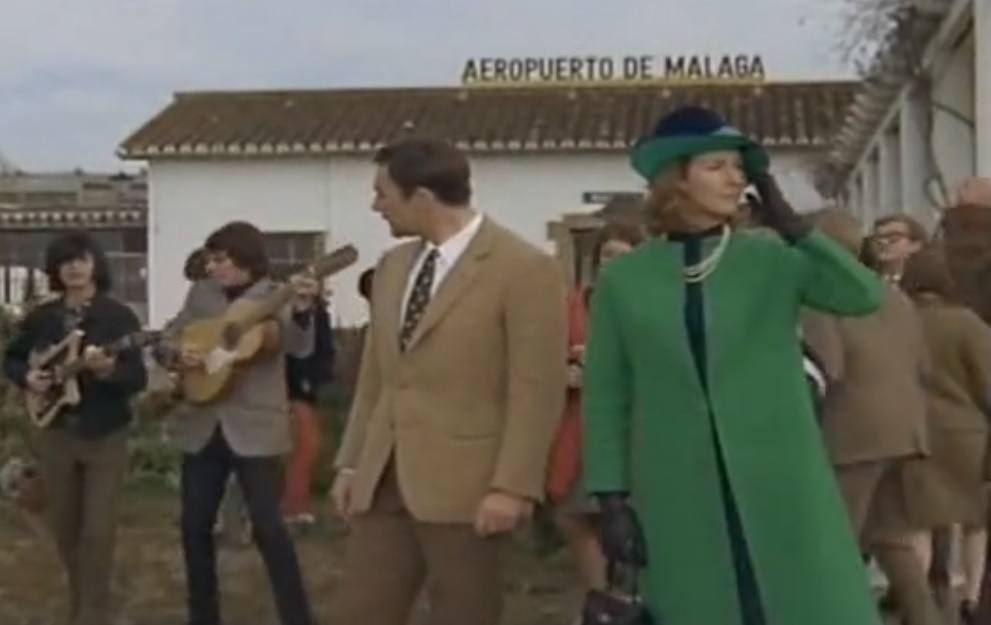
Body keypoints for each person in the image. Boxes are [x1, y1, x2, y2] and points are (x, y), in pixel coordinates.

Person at [581, 106, 884, 625]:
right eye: (716, 165)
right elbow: (607, 392)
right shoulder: (625, 279)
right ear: (676, 178)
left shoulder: (772, 260)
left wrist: (796, 228)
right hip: (676, 483)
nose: (737, 177)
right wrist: (610, 497)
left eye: (740, 168)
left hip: (782, 476)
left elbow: (861, 296)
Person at [330, 138, 567, 625]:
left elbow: (535, 389)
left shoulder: (524, 269)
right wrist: (352, 463)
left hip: (468, 486)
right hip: (384, 479)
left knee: (464, 612)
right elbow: (377, 378)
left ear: (421, 197)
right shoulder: (395, 267)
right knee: (360, 611)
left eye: (382, 193)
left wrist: (514, 487)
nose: (375, 206)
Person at [163, 221, 316, 625]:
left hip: (255, 431)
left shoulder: (274, 296)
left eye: (221, 260)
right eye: (211, 260)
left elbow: (299, 345)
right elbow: (171, 337)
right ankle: (203, 617)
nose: (213, 268)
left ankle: (298, 618)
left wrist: (302, 311)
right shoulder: (202, 294)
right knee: (194, 528)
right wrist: (180, 355)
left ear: (246, 260)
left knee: (269, 530)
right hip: (203, 425)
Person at [803, 210, 942, 625]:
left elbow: (829, 366)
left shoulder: (821, 294)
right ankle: (927, 618)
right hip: (906, 427)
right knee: (892, 537)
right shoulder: (891, 294)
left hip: (853, 431)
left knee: (836, 542)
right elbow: (925, 364)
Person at [4, 230, 147, 625]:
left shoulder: (119, 317)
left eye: (81, 259)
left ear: (95, 264)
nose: (73, 267)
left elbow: (137, 378)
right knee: (66, 529)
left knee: (98, 533)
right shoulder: (42, 318)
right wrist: (27, 378)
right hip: (56, 434)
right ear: (55, 271)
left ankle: (90, 615)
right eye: (64, 262)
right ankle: (84, 602)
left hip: (106, 435)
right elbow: (12, 359)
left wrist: (108, 371)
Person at [545, 221, 643, 598]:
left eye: (622, 256)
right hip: (579, 429)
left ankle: (633, 598)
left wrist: (608, 371)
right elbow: (545, 359)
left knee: (631, 520)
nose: (612, 264)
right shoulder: (577, 304)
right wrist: (566, 370)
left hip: (633, 430)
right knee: (576, 517)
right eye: (606, 256)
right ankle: (600, 600)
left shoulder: (652, 304)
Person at [901, 250, 991, 625]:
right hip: (966, 434)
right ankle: (971, 599)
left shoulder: (898, 322)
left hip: (914, 432)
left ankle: (918, 605)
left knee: (917, 524)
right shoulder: (966, 322)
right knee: (975, 523)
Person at [282, 288, 334, 527]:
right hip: (289, 389)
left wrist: (317, 379)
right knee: (299, 447)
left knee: (305, 449)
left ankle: (296, 506)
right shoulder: (283, 313)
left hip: (304, 389)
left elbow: (324, 349)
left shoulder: (319, 314)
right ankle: (292, 508)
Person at [870, 214, 927, 285]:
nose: (882, 242)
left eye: (893, 238)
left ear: (915, 245)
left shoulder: (923, 284)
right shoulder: (866, 278)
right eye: (877, 238)